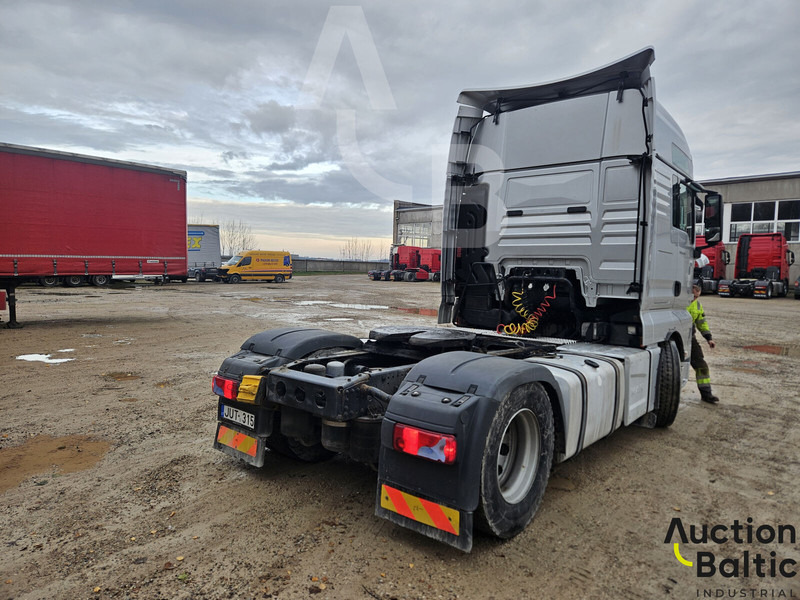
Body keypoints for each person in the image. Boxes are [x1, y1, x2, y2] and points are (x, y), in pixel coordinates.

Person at [688, 284, 719, 403]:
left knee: (702, 366)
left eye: (697, 296)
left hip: (690, 338)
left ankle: (706, 394)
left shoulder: (698, 305)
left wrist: (709, 338)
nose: (695, 298)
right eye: (693, 296)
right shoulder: (678, 303)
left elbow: (701, 323)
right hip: (675, 338)